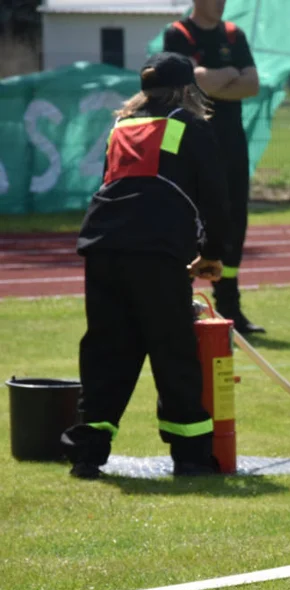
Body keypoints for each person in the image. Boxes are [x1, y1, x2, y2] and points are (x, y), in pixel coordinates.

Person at [61, 52, 232, 479]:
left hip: (102, 246)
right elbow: (214, 195)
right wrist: (211, 254)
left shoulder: (120, 127)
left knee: (106, 351)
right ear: (188, 89)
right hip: (155, 252)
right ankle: (191, 457)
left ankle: (88, 454)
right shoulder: (190, 126)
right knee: (172, 351)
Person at [164, 0, 262, 334]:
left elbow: (252, 84)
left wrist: (214, 80)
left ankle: (230, 305)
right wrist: (229, 75)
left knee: (233, 220)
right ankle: (179, 303)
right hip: (192, 141)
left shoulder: (234, 35)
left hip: (231, 143)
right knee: (186, 218)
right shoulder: (178, 34)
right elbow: (193, 85)